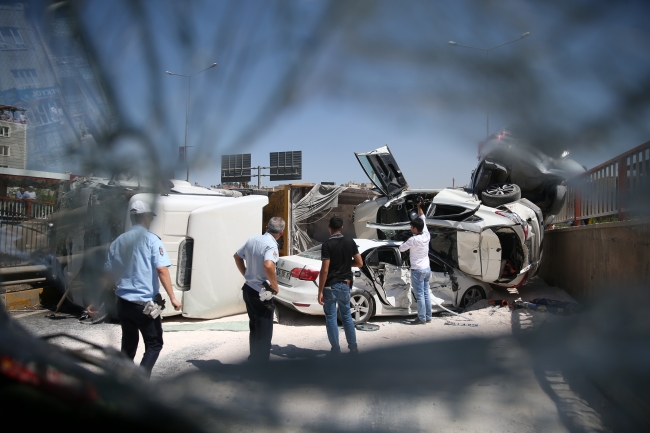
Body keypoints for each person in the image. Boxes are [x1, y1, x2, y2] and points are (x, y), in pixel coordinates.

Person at [104, 200, 182, 378]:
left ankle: (122, 380)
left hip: (123, 304)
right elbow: (161, 269)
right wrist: (172, 298)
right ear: (146, 218)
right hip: (144, 305)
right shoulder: (152, 240)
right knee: (154, 344)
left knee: (129, 344)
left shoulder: (118, 241)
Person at [233, 217, 285, 363]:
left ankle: (254, 359)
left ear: (267, 226)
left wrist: (246, 274)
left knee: (255, 326)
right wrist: (275, 285)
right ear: (281, 233)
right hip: (262, 292)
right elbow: (268, 265)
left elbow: (237, 256)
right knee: (264, 330)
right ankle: (260, 366)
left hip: (249, 289)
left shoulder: (252, 240)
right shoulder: (271, 245)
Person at [317, 216, 362, 354]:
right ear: (342, 228)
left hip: (330, 285)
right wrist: (346, 265)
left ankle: (335, 349)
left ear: (329, 227)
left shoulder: (327, 245)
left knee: (331, 317)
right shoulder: (350, 241)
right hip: (345, 284)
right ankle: (353, 347)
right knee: (347, 316)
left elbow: (325, 269)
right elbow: (360, 263)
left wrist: (320, 291)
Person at [399, 200, 432, 325]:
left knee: (420, 296)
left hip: (417, 270)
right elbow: (422, 217)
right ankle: (428, 317)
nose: (410, 228)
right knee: (426, 293)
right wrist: (419, 207)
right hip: (427, 268)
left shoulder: (413, 240)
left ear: (415, 228)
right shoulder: (427, 234)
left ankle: (422, 318)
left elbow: (401, 248)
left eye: (411, 227)